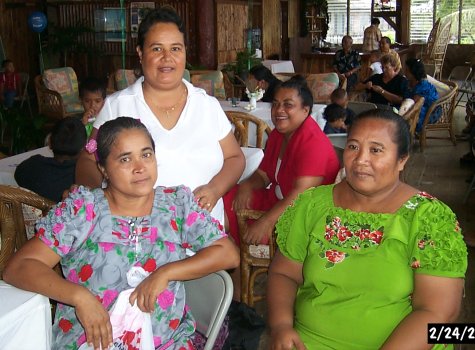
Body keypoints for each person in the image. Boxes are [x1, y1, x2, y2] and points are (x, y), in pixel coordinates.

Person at [4, 117, 240, 350]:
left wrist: (166, 273)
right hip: (90, 341)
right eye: (125, 159)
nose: (140, 167)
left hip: (167, 342)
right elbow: (20, 267)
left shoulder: (176, 206)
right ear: (103, 169)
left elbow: (228, 253)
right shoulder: (83, 210)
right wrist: (79, 297)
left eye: (146, 155)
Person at [267, 109, 467, 350]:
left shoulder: (428, 218)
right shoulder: (312, 205)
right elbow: (284, 273)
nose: (361, 159)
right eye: (353, 147)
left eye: (376, 150)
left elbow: (439, 312)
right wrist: (281, 326)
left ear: (402, 159)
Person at [75, 7, 245, 224]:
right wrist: (97, 198)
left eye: (176, 48)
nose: (167, 58)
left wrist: (214, 189)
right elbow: (88, 160)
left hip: (206, 237)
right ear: (140, 52)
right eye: (157, 49)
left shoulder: (207, 105)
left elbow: (235, 158)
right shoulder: (118, 106)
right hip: (139, 236)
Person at [224, 76, 340, 248]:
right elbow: (263, 175)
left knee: (235, 215)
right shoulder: (279, 135)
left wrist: (266, 222)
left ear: (305, 111)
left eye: (288, 105)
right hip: (278, 201)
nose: (279, 110)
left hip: (304, 215)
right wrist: (246, 186)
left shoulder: (313, 143)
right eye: (276, 104)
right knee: (227, 197)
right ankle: (230, 253)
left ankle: (233, 254)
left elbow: (301, 195)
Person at [14, 117, 86, 202]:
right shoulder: (82, 176)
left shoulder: (32, 166)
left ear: (49, 142)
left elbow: (18, 175)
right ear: (83, 149)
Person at [405, 58, 441, 133]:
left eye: (407, 70)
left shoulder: (422, 86)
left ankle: (408, 135)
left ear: (413, 72)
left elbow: (415, 104)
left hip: (430, 112)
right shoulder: (410, 82)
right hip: (419, 108)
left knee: (407, 113)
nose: (405, 72)